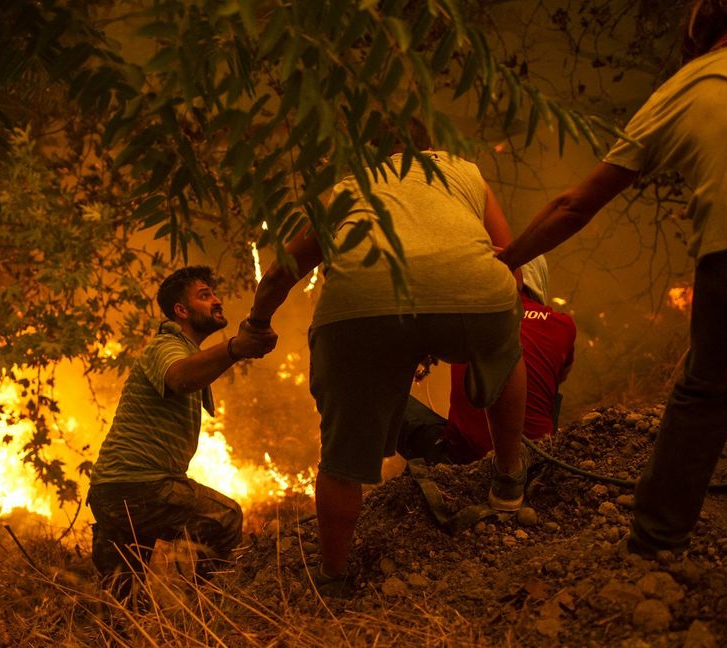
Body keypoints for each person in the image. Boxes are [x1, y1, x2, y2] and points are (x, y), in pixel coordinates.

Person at [497, 0, 727, 557]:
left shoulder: (688, 84)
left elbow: (575, 206)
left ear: (701, 39)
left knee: (705, 398)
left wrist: (508, 260)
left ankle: (655, 545)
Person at [247, 135, 529, 593]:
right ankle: (509, 479)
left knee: (340, 458)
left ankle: (334, 576)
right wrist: (488, 322)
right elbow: (512, 259)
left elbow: (283, 271)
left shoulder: (347, 187)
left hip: (358, 311)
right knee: (506, 346)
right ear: (431, 145)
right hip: (473, 296)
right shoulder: (464, 170)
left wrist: (257, 323)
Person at [87, 266, 277, 597]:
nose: (217, 301)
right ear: (181, 311)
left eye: (215, 294)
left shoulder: (186, 351)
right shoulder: (166, 344)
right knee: (225, 518)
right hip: (140, 487)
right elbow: (178, 377)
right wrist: (235, 348)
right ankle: (204, 610)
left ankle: (180, 619)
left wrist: (237, 349)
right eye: (205, 296)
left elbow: (192, 372)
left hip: (113, 489)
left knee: (124, 608)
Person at [399, 256, 576, 465]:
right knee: (548, 389)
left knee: (374, 391)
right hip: (538, 460)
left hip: (463, 460)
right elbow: (559, 377)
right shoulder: (563, 325)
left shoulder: (465, 316)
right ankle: (542, 446)